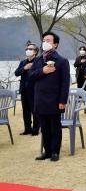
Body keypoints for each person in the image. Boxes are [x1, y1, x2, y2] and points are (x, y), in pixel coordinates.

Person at [29, 32, 70, 162]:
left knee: (55, 127)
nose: (45, 42)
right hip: (40, 99)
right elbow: (30, 76)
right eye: (44, 40)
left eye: (48, 40)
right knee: (44, 127)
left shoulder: (62, 61)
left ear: (55, 44)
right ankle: (46, 151)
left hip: (54, 99)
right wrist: (43, 71)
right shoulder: (38, 60)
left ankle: (55, 152)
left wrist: (63, 101)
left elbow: (65, 83)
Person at [15, 43, 40, 136]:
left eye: (30, 49)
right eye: (27, 48)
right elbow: (16, 73)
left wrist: (32, 68)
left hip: (34, 90)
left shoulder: (38, 61)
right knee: (25, 111)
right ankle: (27, 129)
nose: (28, 50)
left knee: (35, 110)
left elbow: (39, 74)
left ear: (35, 52)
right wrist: (25, 68)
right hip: (24, 90)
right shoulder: (23, 62)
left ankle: (36, 129)